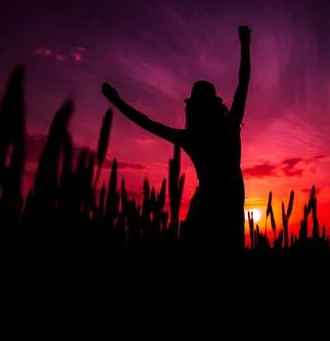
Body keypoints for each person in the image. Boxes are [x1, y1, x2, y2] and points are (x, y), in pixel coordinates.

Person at [102, 25, 251, 249]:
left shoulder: (193, 137)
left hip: (208, 207)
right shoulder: (228, 127)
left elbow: (148, 124)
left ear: (194, 109)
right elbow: (243, 85)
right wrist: (245, 46)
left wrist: (117, 102)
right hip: (228, 205)